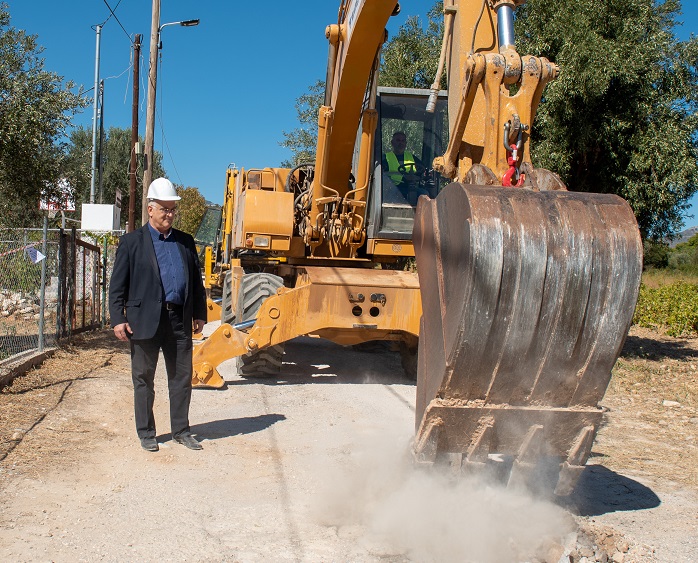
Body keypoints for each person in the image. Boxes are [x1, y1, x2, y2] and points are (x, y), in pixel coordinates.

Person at [109, 177, 207, 452]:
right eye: (164, 208)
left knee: (181, 377)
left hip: (178, 320)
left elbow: (196, 283)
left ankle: (181, 430)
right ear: (150, 209)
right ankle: (147, 432)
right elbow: (117, 286)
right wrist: (118, 318)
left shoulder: (186, 242)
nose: (169, 214)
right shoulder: (131, 243)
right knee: (143, 378)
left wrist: (199, 313)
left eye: (173, 209)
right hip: (144, 321)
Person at [382, 131, 430, 205]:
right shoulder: (386, 158)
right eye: (398, 140)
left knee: (424, 193)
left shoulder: (412, 157)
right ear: (392, 143)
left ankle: (421, 215)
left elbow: (422, 169)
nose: (400, 143)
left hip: (410, 187)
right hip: (394, 188)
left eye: (403, 141)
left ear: (405, 143)